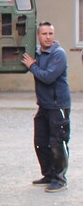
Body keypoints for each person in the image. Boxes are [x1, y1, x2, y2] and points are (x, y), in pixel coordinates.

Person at [21, 22, 71, 193]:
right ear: (38, 36)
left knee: (57, 142)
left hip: (58, 105)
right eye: (44, 34)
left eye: (51, 33)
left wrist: (32, 66)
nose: (48, 37)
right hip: (44, 105)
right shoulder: (38, 53)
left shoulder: (59, 54)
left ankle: (60, 179)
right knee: (41, 142)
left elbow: (48, 77)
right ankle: (48, 175)